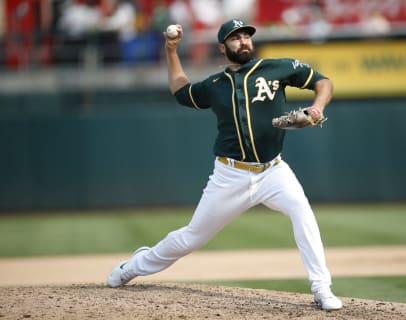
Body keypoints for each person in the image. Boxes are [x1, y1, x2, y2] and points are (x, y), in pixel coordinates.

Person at [106, 18, 343, 311]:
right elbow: (182, 91)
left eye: (246, 36)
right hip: (231, 175)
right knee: (191, 238)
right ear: (222, 47)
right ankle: (133, 266)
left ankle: (321, 288)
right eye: (235, 38)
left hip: (274, 171)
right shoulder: (215, 85)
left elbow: (323, 81)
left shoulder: (277, 68)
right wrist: (171, 51)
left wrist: (316, 107)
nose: (243, 41)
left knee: (304, 216)